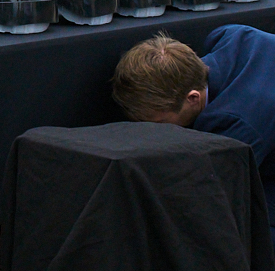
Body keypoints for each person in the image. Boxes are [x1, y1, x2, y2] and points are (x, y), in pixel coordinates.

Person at [111, 27, 275, 240]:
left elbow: (213, 195)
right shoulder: (232, 35)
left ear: (193, 98)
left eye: (160, 123)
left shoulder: (239, 126)